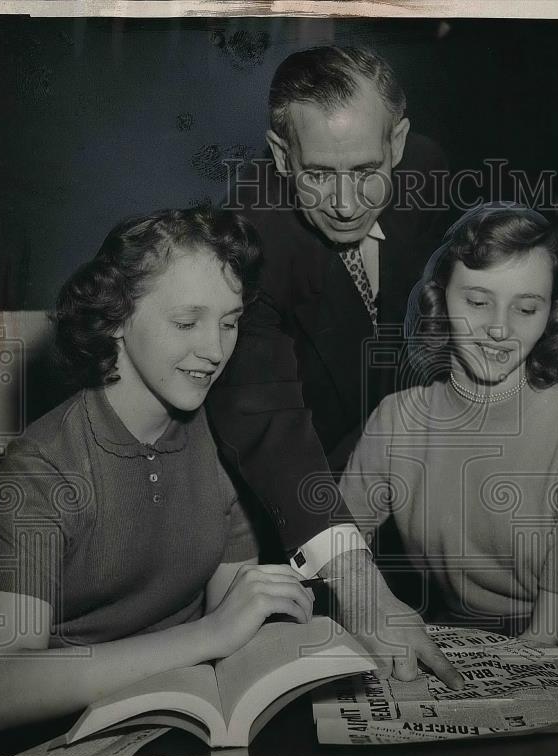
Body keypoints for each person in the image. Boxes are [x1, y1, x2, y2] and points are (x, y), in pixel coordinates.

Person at [0, 208, 316, 731]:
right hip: (65, 736)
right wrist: (208, 635)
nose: (215, 350)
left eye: (230, 322)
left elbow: (233, 620)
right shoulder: (44, 464)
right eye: (187, 322)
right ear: (114, 318)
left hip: (187, 715)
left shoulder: (223, 434)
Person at [206, 45, 460, 688]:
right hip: (297, 514)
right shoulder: (245, 240)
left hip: (419, 497)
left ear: (398, 144)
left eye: (366, 170)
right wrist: (362, 587)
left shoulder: (431, 173)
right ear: (281, 154)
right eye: (317, 173)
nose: (347, 203)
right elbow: (270, 428)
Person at [338, 203, 558, 645]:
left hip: (552, 649)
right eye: (477, 301)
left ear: (551, 314)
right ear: (440, 297)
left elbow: (548, 633)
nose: (499, 328)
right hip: (442, 636)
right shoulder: (396, 420)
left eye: (526, 309)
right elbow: (335, 548)